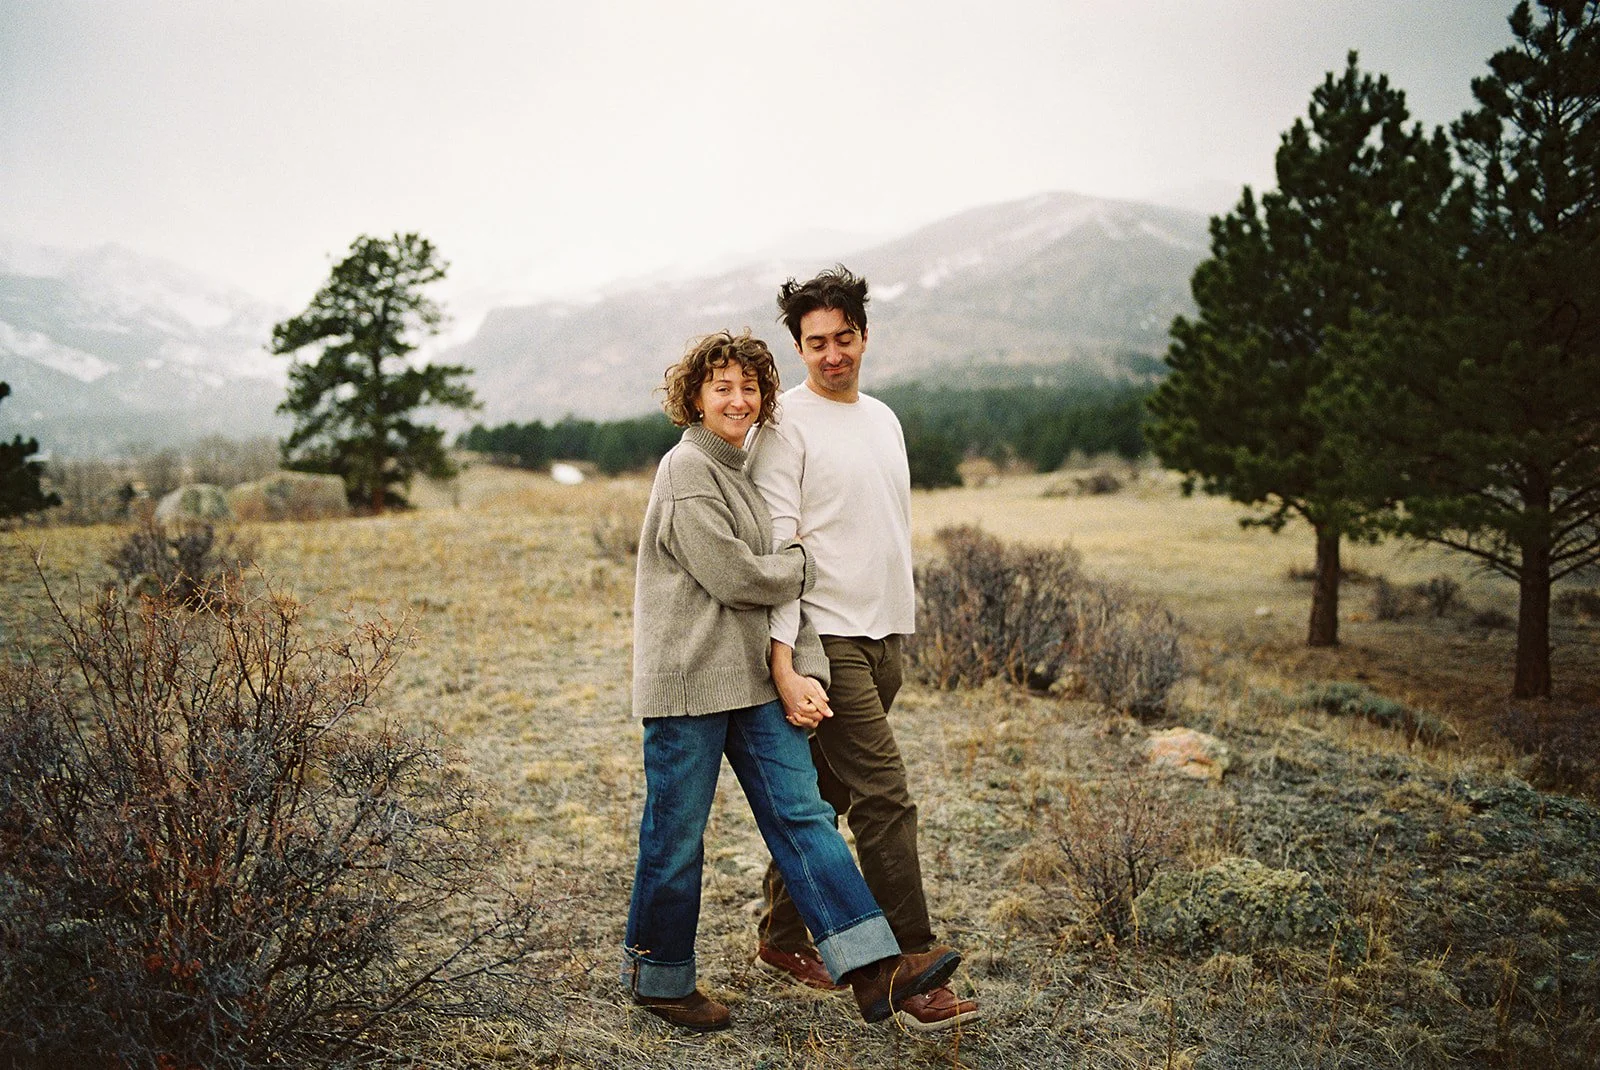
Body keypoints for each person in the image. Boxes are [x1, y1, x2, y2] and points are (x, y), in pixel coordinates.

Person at [623, 329, 961, 1033]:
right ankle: (660, 979)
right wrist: (805, 563)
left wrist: (799, 660)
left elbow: (775, 593)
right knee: (676, 837)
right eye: (723, 387)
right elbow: (739, 577)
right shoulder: (687, 471)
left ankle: (871, 970)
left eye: (749, 388)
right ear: (694, 398)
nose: (738, 399)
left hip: (751, 685)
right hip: (689, 686)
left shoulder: (741, 474)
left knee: (803, 816)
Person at [749, 267, 981, 1032]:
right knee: (885, 797)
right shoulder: (784, 425)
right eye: (816, 342)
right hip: (827, 638)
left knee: (827, 798)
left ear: (864, 335)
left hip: (886, 639)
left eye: (843, 337)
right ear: (797, 346)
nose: (832, 354)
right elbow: (779, 548)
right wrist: (786, 661)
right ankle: (912, 963)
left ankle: (782, 938)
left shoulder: (884, 419)